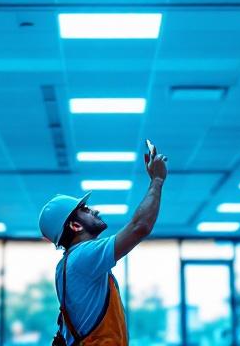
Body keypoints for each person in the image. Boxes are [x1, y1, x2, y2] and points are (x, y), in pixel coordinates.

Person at [38, 145, 168, 345]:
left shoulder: (66, 266)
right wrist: (157, 180)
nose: (95, 211)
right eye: (86, 210)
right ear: (75, 225)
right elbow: (140, 227)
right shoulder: (83, 257)